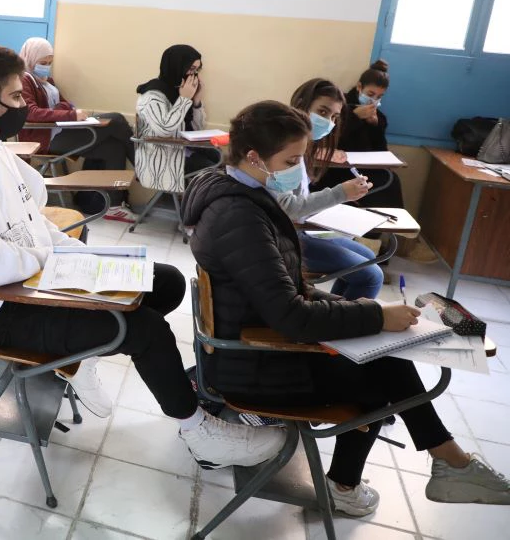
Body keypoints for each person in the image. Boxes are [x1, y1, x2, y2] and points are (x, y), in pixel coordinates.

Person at [0, 43, 286, 469]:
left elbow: (34, 221)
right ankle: (198, 431)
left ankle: (79, 356)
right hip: (2, 310)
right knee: (143, 328)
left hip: (30, 280)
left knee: (163, 280)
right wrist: (50, 259)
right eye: (17, 98)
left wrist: (85, 260)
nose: (23, 106)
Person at [181, 100, 510, 514]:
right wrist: (373, 314)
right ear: (253, 157)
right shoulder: (240, 216)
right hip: (254, 361)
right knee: (382, 387)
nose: (296, 169)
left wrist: (362, 310)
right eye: (291, 159)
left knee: (386, 354)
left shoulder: (236, 194)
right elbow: (291, 316)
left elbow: (285, 292)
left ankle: (449, 462)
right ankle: (361, 482)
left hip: (255, 341)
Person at [282, 78, 384, 300]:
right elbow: (288, 208)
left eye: (334, 117)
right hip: (288, 237)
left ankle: (337, 312)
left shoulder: (303, 147)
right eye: (322, 111)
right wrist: (341, 193)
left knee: (367, 254)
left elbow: (300, 201)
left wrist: (345, 196)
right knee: (371, 275)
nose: (328, 121)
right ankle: (340, 321)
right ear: (301, 105)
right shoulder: (284, 149)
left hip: (303, 228)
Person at [17, 38, 137, 220]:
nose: (47, 66)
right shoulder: (24, 80)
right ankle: (143, 166)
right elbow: (32, 113)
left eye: (50, 63)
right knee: (117, 119)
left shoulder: (46, 80)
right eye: (43, 63)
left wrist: (64, 111)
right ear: (30, 58)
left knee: (114, 148)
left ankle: (113, 206)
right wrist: (68, 114)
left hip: (60, 132)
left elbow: (67, 104)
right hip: (44, 138)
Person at [313, 60, 402, 209]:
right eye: (371, 94)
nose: (374, 100)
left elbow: (381, 151)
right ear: (359, 87)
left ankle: (381, 226)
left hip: (361, 167)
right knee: (386, 181)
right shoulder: (340, 106)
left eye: (379, 96)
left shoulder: (378, 116)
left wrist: (376, 126)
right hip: (334, 168)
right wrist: (354, 117)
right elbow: (327, 136)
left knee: (390, 179)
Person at [135, 44, 222, 195]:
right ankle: (196, 208)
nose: (194, 75)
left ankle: (196, 204)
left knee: (219, 157)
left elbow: (196, 128)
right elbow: (164, 130)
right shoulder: (152, 96)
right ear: (177, 66)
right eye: (191, 69)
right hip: (160, 154)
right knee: (210, 169)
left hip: (182, 148)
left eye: (197, 70)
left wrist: (196, 102)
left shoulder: (178, 90)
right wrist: (184, 99)